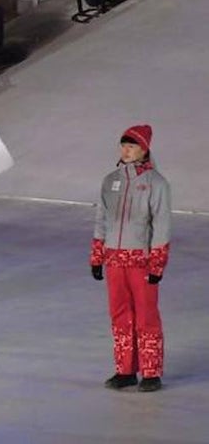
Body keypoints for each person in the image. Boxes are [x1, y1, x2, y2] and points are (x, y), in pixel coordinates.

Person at [90, 124, 171, 393]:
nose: (126, 150)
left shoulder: (156, 183)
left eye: (132, 145)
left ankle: (151, 372)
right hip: (115, 261)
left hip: (141, 261)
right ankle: (125, 370)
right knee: (120, 315)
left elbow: (161, 224)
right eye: (123, 145)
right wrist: (97, 255)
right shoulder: (110, 180)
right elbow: (102, 219)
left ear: (144, 149)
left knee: (146, 316)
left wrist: (157, 262)